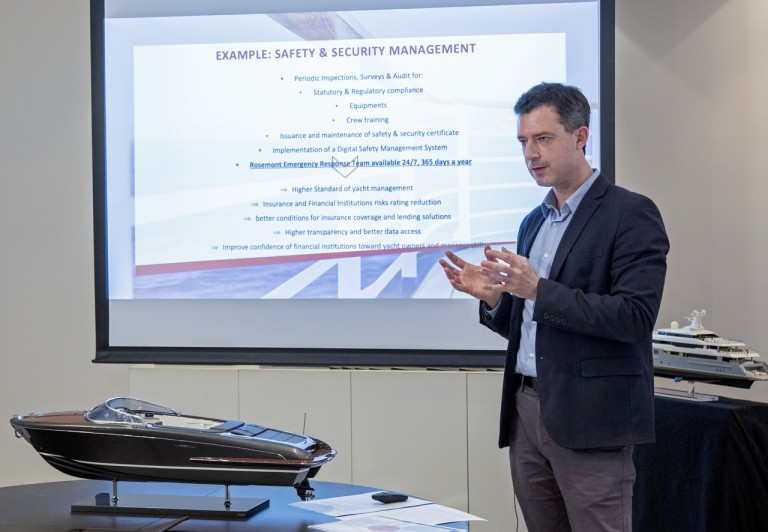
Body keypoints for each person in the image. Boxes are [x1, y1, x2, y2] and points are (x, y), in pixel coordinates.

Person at [440, 82, 669, 532]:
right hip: (527, 411)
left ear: (580, 137)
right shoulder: (533, 222)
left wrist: (539, 290)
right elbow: (534, 325)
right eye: (523, 141)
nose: (531, 153)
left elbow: (634, 318)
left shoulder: (630, 214)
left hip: (592, 419)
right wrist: (495, 300)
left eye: (543, 138)